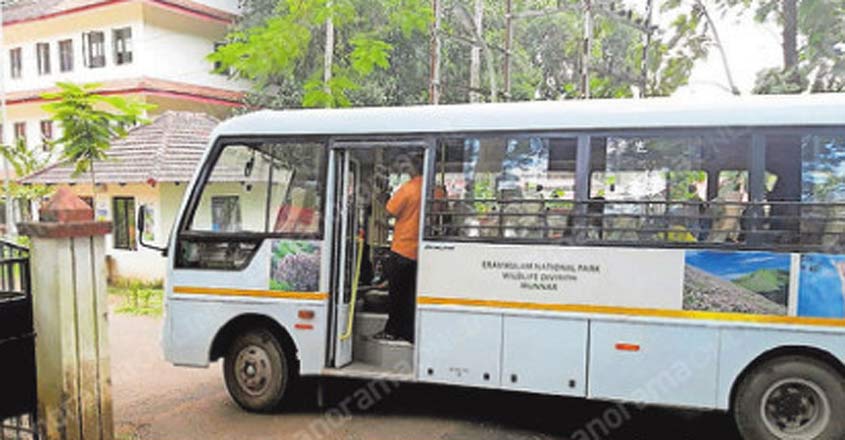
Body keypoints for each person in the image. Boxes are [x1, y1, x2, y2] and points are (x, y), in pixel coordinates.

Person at [373, 154, 428, 343]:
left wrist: (382, 197)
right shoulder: (434, 189)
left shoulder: (408, 189)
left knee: (397, 296)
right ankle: (409, 332)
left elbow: (388, 211)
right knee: (411, 296)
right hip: (423, 253)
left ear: (413, 167)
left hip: (403, 249)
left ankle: (392, 331)